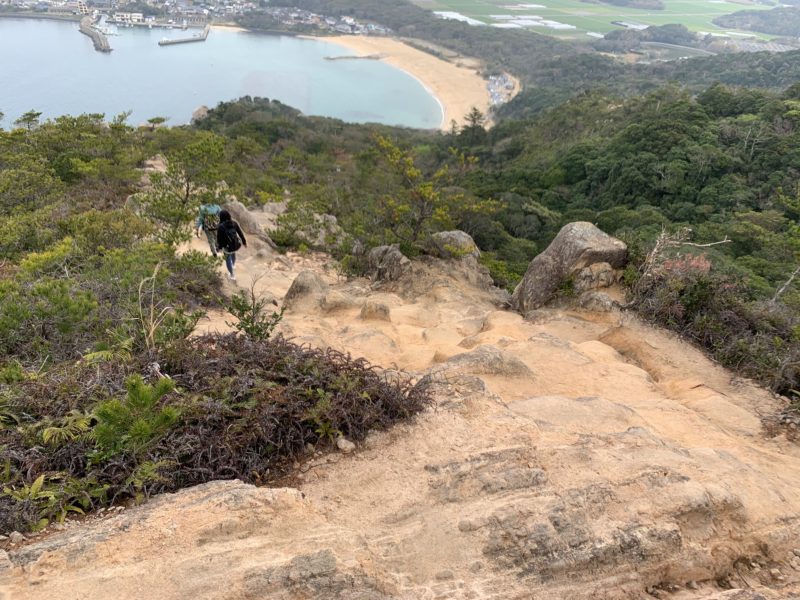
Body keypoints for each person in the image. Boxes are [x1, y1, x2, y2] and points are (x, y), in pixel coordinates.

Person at [216, 209, 247, 281]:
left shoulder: (220, 226)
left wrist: (219, 248)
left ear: (221, 217)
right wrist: (244, 242)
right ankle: (233, 265)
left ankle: (232, 275)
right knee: (233, 253)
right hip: (235, 244)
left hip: (227, 246)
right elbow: (240, 233)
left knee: (227, 259)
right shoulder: (234, 223)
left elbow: (219, 239)